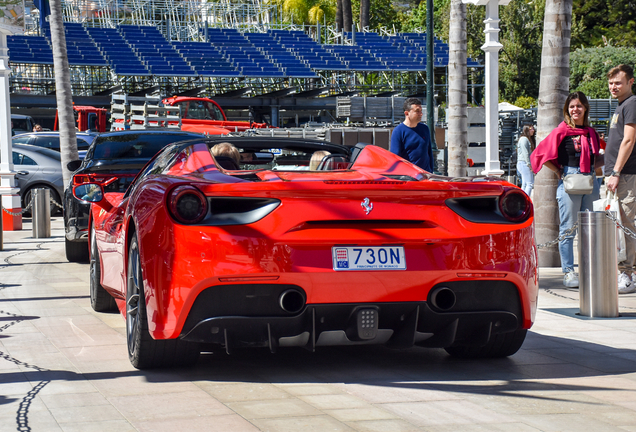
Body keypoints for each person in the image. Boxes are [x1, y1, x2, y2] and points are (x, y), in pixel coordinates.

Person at [531, 91, 602, 288]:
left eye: (579, 105)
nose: (575, 109)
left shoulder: (590, 133)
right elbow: (540, 154)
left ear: (585, 108)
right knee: (568, 229)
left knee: (591, 229)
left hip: (590, 181)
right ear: (567, 110)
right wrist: (558, 172)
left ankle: (590, 269)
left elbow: (598, 158)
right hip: (570, 181)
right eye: (572, 106)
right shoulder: (561, 131)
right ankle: (569, 272)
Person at [604, 64, 636, 294]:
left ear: (631, 82)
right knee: (619, 226)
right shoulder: (620, 106)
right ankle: (624, 271)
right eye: (611, 83)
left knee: (626, 225)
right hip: (617, 176)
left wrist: (615, 172)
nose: (614, 87)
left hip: (625, 176)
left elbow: (628, 140)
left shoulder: (632, 103)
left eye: (619, 83)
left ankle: (628, 274)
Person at [390, 97, 434, 172]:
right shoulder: (398, 131)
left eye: (421, 111)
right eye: (417, 111)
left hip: (426, 176)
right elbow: (395, 158)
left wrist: (431, 172)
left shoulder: (425, 129)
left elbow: (429, 152)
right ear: (407, 113)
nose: (421, 114)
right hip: (409, 177)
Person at [516, 125, 536, 196]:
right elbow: (525, 153)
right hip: (524, 163)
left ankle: (522, 199)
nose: (533, 130)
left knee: (524, 184)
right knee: (529, 184)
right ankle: (526, 200)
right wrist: (529, 164)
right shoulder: (524, 139)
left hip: (522, 163)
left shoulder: (524, 139)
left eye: (533, 128)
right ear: (526, 130)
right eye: (531, 129)